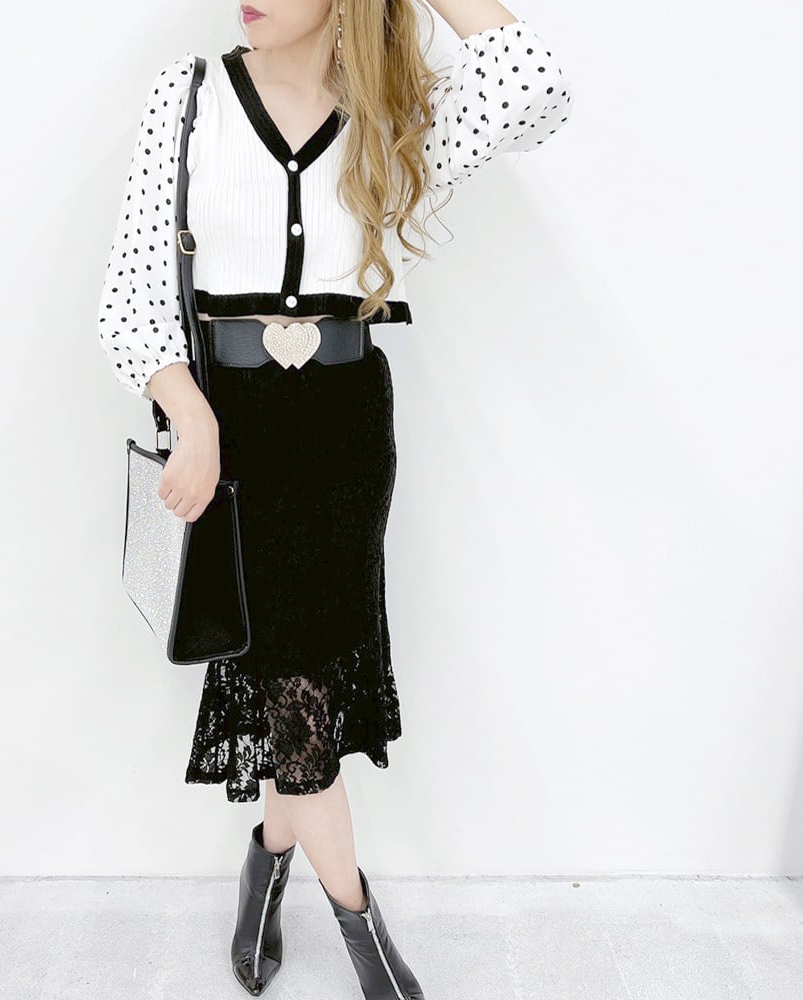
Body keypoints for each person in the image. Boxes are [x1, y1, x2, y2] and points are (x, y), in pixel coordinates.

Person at [97, 1, 572, 995]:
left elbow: (533, 83)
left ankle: (269, 867)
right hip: (233, 434)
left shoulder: (395, 114)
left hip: (345, 433)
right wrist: (194, 416)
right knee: (295, 693)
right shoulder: (188, 97)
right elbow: (132, 299)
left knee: (301, 684)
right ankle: (365, 936)